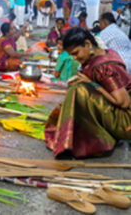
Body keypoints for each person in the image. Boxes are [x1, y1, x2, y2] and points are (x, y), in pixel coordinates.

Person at [45, 27, 131, 158]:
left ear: (88, 44)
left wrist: (92, 84)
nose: (74, 58)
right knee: (74, 96)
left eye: (76, 53)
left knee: (78, 91)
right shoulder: (107, 52)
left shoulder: (103, 67)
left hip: (126, 122)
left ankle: (81, 144)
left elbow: (123, 102)